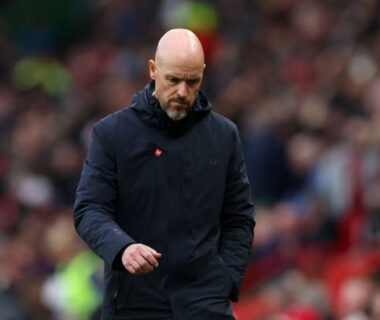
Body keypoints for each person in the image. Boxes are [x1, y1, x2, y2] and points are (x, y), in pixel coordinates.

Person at [74, 28, 255, 320]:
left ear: (203, 74)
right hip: (134, 302)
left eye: (192, 81)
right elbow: (89, 209)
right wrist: (123, 249)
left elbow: (239, 218)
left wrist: (226, 279)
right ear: (153, 70)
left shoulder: (224, 136)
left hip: (205, 302)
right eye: (173, 80)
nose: (182, 92)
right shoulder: (112, 135)